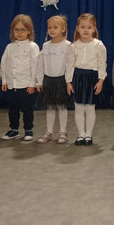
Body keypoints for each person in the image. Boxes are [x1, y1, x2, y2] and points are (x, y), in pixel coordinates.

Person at [65, 13, 106, 146]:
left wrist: (100, 80)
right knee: (78, 108)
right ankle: (80, 134)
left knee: (89, 108)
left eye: (89, 27)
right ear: (77, 28)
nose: (86, 30)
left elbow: (102, 64)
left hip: (92, 78)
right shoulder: (73, 46)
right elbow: (69, 65)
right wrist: (68, 82)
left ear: (94, 29)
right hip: (78, 78)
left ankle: (88, 134)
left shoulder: (99, 45)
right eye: (83, 27)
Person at [1, 14, 39, 142]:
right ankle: (14, 129)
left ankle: (28, 129)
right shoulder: (9, 47)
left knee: (27, 109)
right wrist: (4, 81)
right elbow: (4, 64)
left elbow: (35, 66)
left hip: (26, 85)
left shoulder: (32, 47)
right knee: (13, 109)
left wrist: (32, 84)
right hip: (12, 84)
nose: (19, 32)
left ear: (29, 31)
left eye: (23, 30)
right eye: (16, 29)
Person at [35, 15, 71, 144]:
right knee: (50, 108)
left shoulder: (68, 45)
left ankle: (63, 132)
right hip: (48, 80)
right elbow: (40, 64)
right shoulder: (46, 46)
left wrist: (69, 81)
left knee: (62, 107)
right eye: (49, 27)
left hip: (62, 80)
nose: (52, 30)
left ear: (63, 29)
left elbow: (70, 65)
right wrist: (39, 81)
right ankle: (49, 132)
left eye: (55, 27)